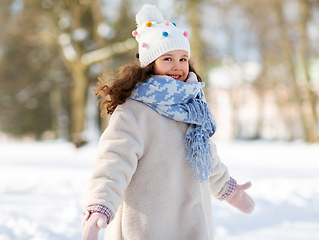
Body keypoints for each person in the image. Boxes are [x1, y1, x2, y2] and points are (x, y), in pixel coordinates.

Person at [82, 4, 255, 240]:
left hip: (191, 224)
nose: (178, 66)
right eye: (168, 58)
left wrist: (229, 189)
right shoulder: (134, 111)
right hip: (146, 226)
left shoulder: (192, 108)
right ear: (151, 63)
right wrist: (100, 205)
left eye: (183, 58)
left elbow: (206, 158)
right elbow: (113, 162)